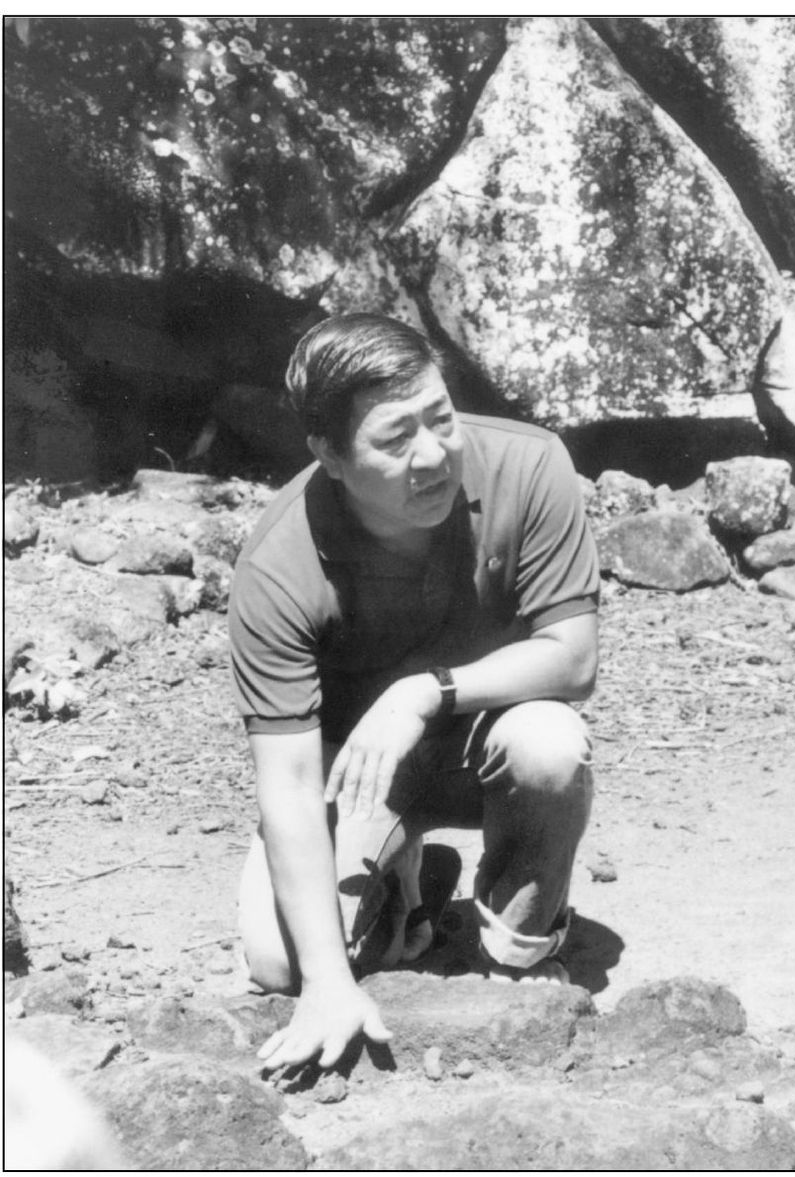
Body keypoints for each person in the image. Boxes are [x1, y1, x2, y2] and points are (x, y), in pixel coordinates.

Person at [229, 313, 600, 1073]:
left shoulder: (531, 466)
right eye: (396, 438)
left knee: (551, 745)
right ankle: (409, 891)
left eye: (441, 418)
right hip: (359, 773)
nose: (433, 455)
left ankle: (519, 947)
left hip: (484, 743)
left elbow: (573, 660)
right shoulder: (277, 566)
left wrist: (424, 692)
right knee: (277, 963)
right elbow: (290, 785)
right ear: (329, 454)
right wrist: (326, 987)